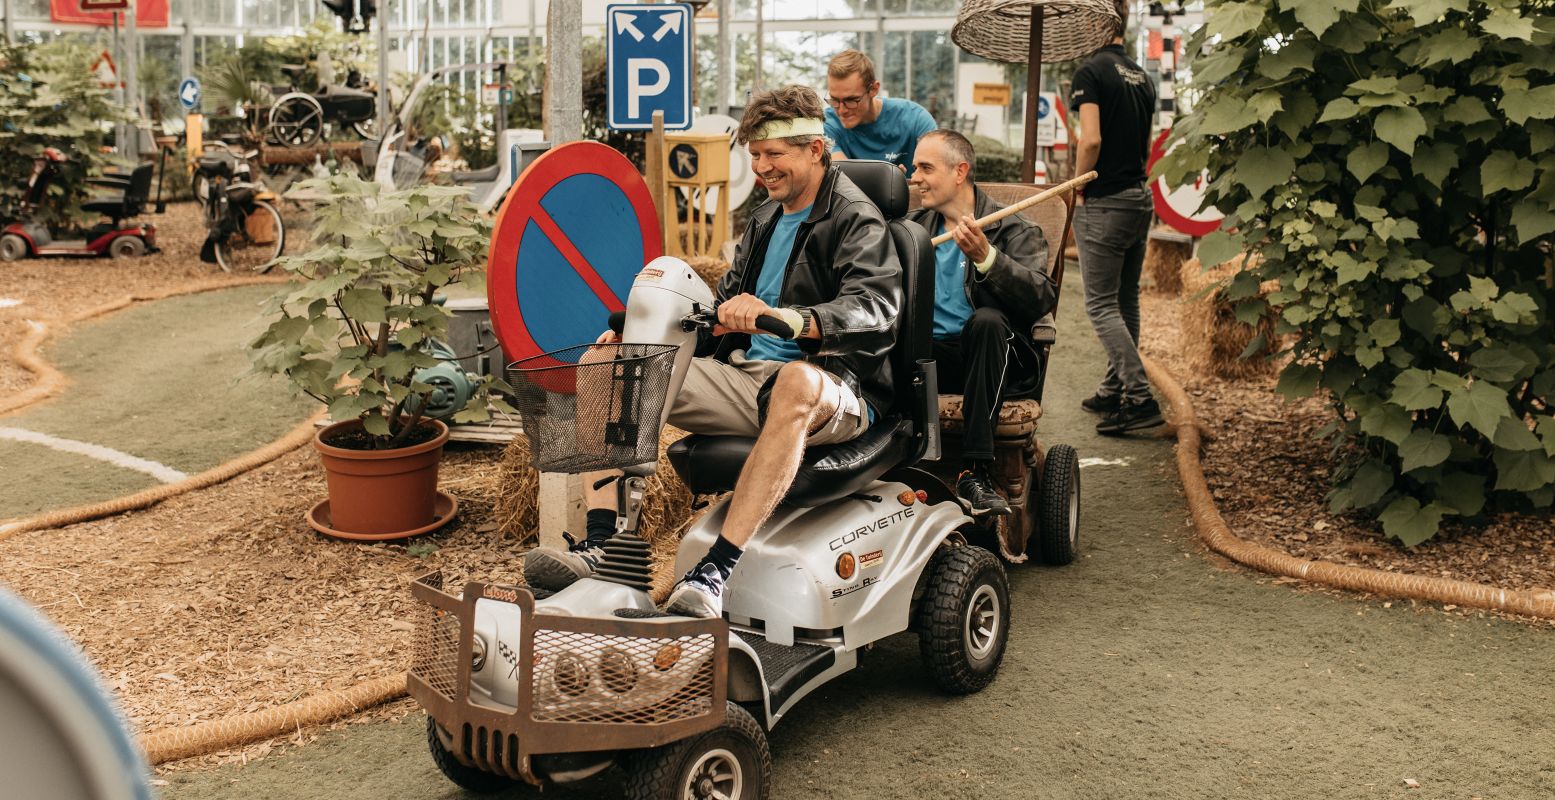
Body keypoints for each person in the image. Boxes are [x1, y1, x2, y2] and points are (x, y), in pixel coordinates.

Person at [524, 85, 902, 618]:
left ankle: (716, 570)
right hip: (749, 379)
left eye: (775, 155)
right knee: (606, 367)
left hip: (834, 385)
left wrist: (795, 320)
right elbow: (715, 319)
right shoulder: (766, 220)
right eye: (755, 157)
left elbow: (877, 307)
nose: (763, 169)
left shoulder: (856, 218)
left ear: (815, 150)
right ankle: (601, 545)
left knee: (795, 380)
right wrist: (641, 338)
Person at [906, 130, 1056, 515]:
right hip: (927, 362)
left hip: (993, 361)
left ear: (960, 172)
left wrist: (989, 258)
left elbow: (1040, 298)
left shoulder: (1015, 230)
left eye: (925, 167)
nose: (914, 177)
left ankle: (974, 473)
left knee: (986, 322)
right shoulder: (912, 231)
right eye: (914, 167)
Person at [1070, 2, 1161, 435]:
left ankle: (1140, 399)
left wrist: (1076, 187)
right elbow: (1144, 143)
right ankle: (1113, 388)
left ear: (1095, 22)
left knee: (1101, 304)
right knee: (1126, 300)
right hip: (1139, 199)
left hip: (1104, 202)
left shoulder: (1091, 72)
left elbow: (1091, 141)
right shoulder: (1142, 76)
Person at [823, 50, 937, 175]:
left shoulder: (915, 119)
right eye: (834, 100)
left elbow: (937, 173)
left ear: (873, 89)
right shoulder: (828, 123)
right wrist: (888, 183)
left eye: (851, 100)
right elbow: (843, 176)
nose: (841, 110)